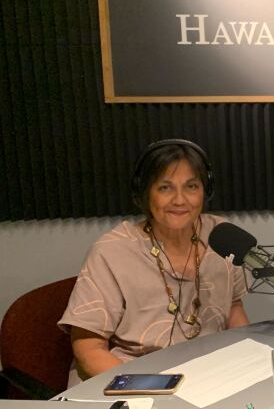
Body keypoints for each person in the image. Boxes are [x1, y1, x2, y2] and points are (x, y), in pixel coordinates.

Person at [59, 139, 249, 384]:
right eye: (165, 188)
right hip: (129, 380)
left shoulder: (221, 236)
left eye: (191, 186)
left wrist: (244, 361)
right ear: (144, 193)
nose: (180, 200)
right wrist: (154, 389)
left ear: (205, 190)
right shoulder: (112, 251)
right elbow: (88, 350)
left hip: (205, 376)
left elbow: (233, 306)